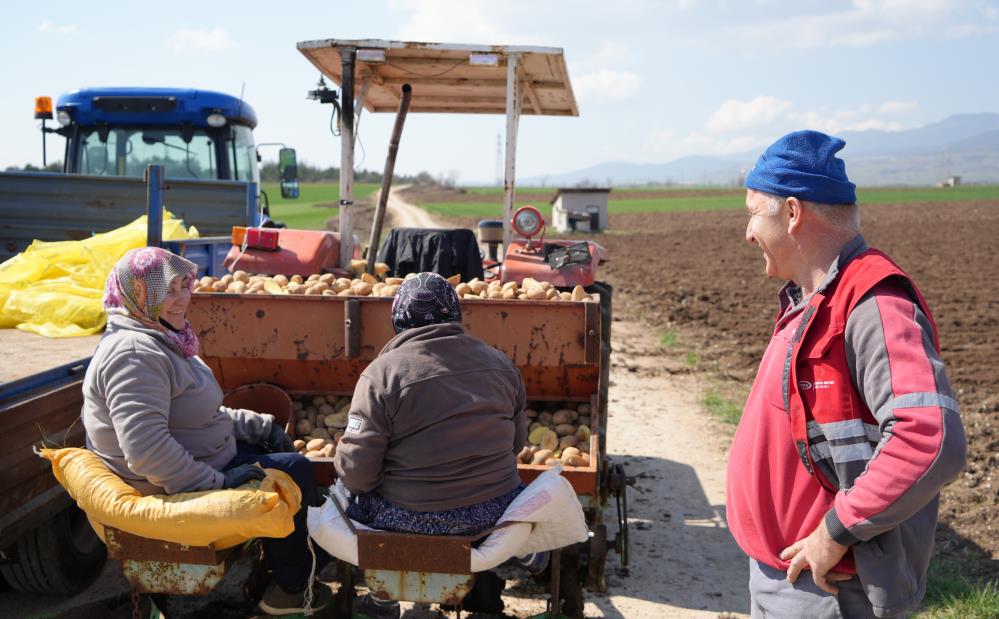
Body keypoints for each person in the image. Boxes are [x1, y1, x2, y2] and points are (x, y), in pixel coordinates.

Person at [725, 130, 968, 618]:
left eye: (754, 212)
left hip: (830, 590)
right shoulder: (816, 299)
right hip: (790, 578)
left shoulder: (873, 304)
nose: (748, 233)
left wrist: (834, 532)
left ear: (793, 214)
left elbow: (931, 438)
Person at [81, 247, 330, 616]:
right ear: (139, 295)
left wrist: (262, 425)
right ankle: (292, 588)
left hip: (199, 457)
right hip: (169, 483)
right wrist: (218, 482)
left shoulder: (159, 335)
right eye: (168, 291)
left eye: (185, 285)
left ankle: (297, 560)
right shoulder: (134, 353)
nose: (182, 299)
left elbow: (200, 414)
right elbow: (146, 449)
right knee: (294, 471)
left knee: (282, 456)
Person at [334, 272, 529, 618]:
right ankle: (491, 586)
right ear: (454, 315)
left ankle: (382, 599)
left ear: (399, 320)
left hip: (408, 518)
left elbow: (359, 474)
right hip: (492, 514)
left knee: (343, 492)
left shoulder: (381, 374)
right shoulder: (502, 364)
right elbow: (515, 445)